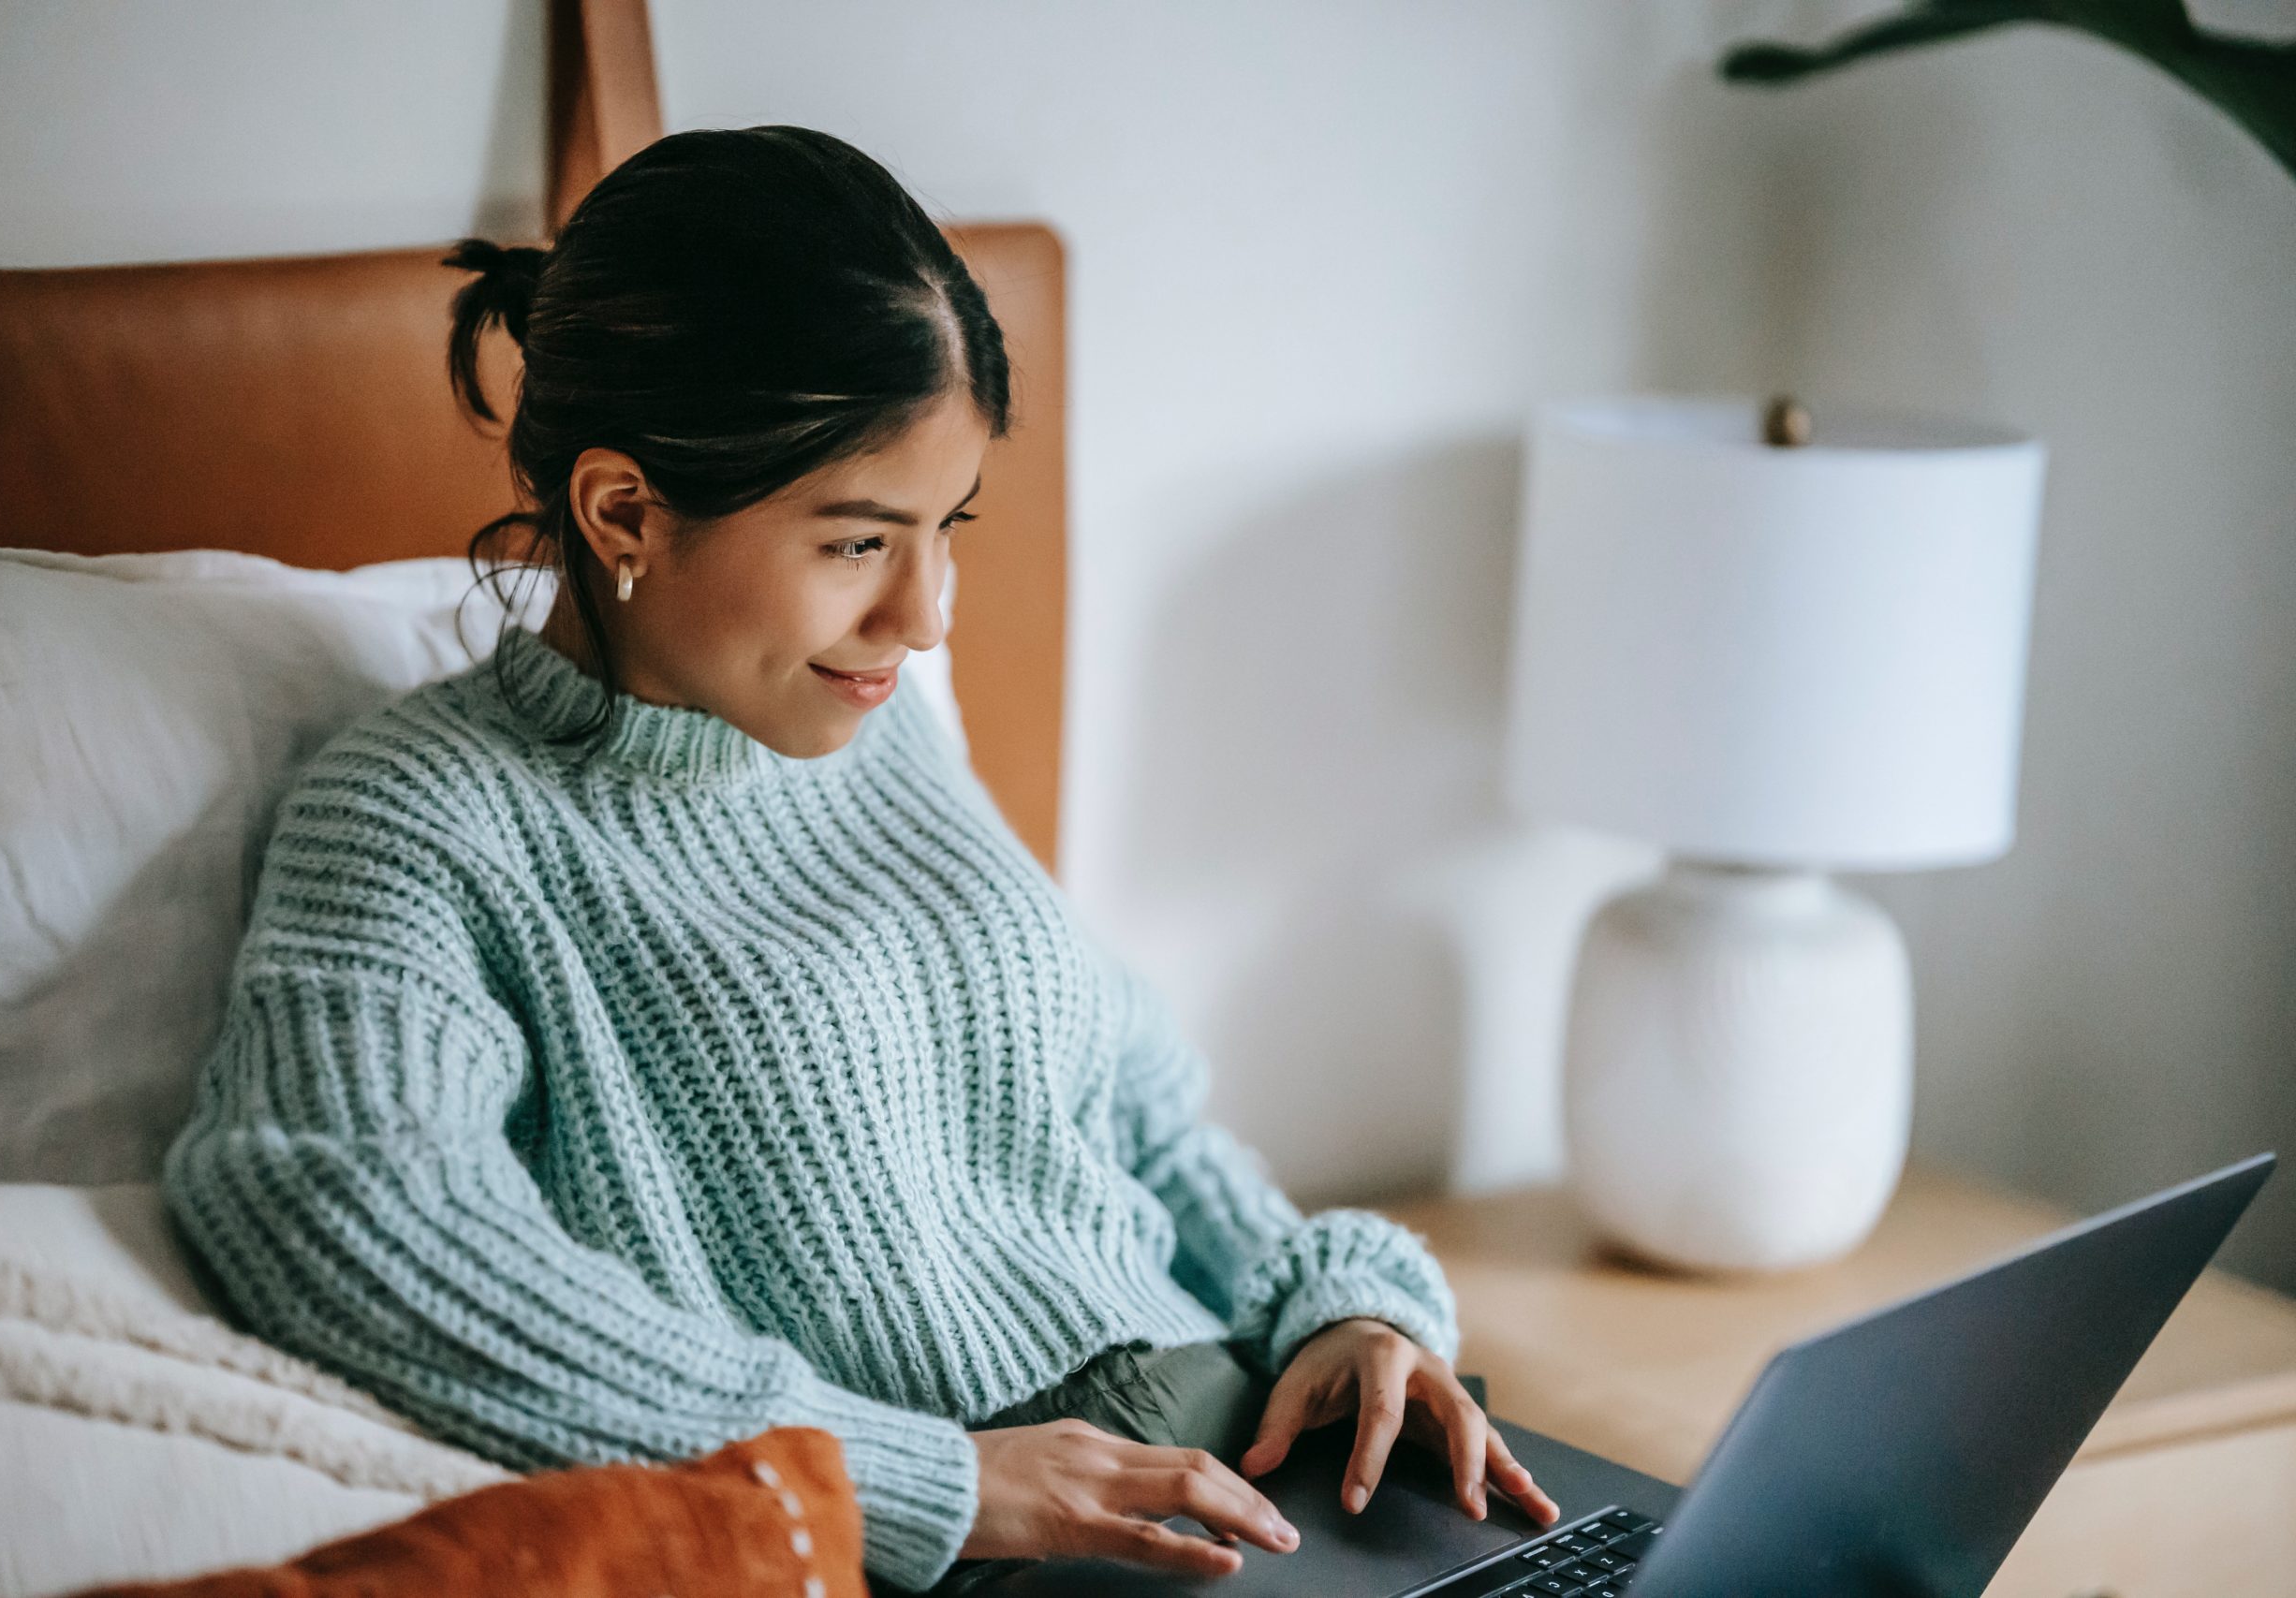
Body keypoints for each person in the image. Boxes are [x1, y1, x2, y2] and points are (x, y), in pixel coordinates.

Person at [161, 125, 1557, 1596]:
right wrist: (908, 1479)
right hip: (971, 1544)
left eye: (947, 528)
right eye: (857, 543)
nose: (929, 616)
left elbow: (1134, 1122)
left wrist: (1336, 1316)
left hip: (1254, 1448)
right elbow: (337, 1209)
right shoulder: (421, 816)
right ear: (622, 510)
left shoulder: (881, 738)